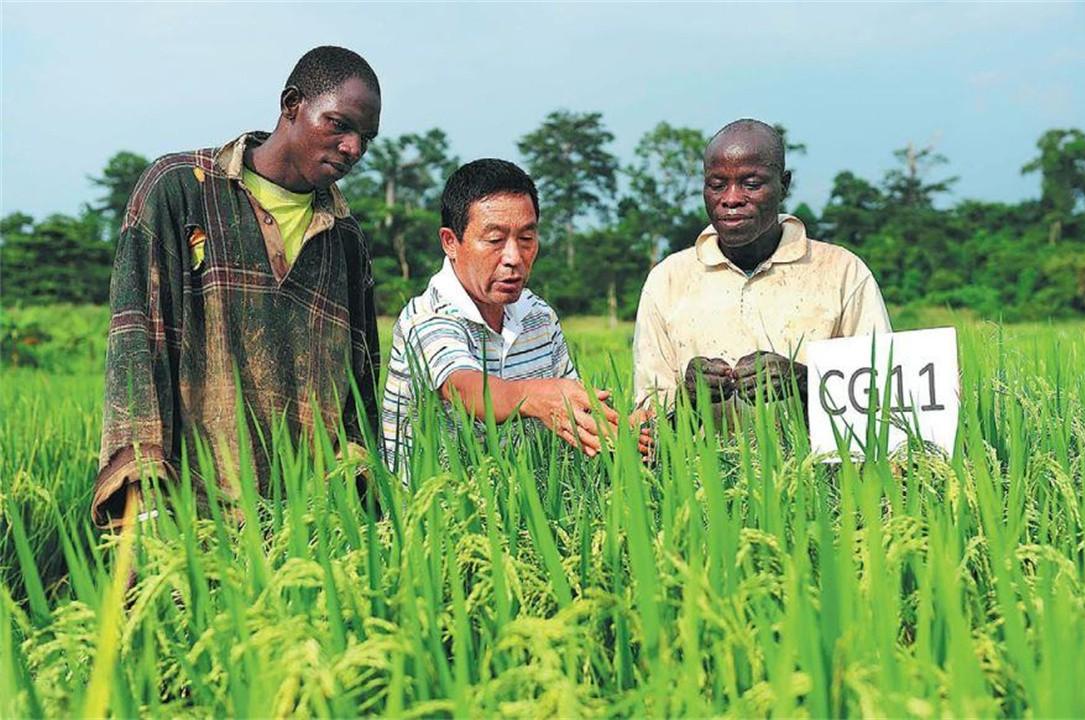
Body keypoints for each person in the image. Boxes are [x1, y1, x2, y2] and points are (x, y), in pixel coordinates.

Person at [93, 46, 382, 527]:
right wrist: (140, 507)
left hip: (306, 531)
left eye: (365, 137)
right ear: (292, 104)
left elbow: (361, 390)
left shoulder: (347, 241)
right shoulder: (181, 191)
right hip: (188, 517)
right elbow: (135, 349)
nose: (353, 148)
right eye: (339, 124)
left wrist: (355, 510)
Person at [382, 159, 650, 477]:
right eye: (495, 240)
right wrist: (533, 397)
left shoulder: (539, 316)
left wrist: (618, 428)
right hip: (439, 516)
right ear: (450, 242)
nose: (513, 258)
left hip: (526, 511)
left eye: (526, 239)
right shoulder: (426, 319)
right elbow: (464, 388)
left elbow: (570, 406)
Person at [632, 118, 891, 416]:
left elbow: (886, 394)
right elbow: (645, 421)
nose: (730, 199)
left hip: (817, 463)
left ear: (783, 185)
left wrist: (803, 380)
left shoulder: (842, 271)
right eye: (717, 185)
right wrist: (686, 399)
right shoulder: (668, 280)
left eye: (751, 184)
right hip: (699, 462)